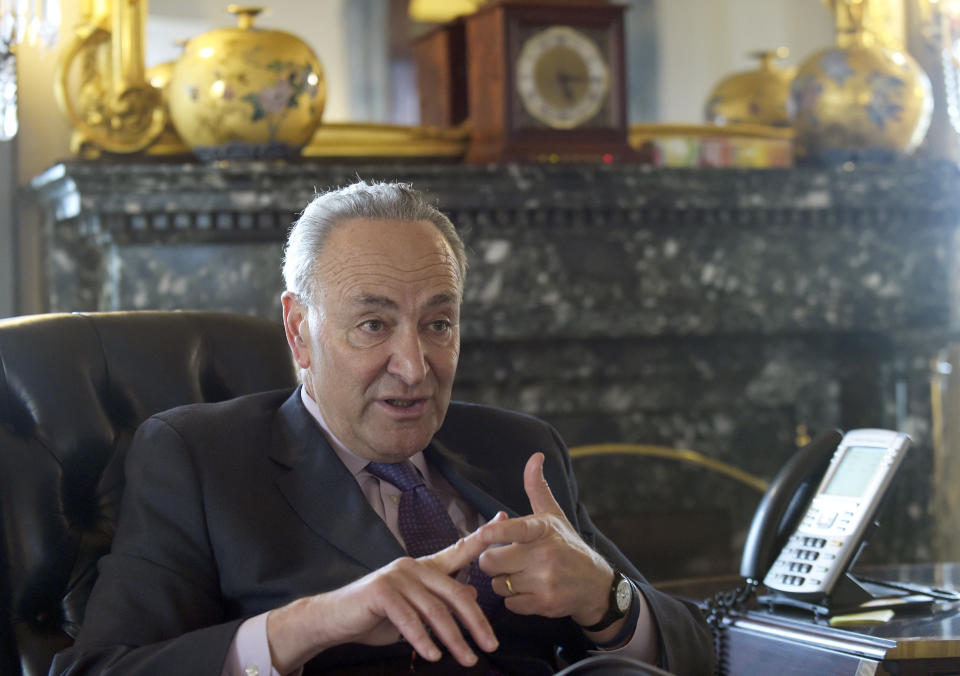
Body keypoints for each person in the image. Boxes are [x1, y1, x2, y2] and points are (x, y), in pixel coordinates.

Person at [51, 181, 714, 675]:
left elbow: (700, 647)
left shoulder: (520, 450)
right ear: (298, 332)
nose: (414, 366)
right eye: (373, 325)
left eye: (438, 323)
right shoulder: (200, 460)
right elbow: (98, 669)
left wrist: (608, 599)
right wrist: (312, 622)